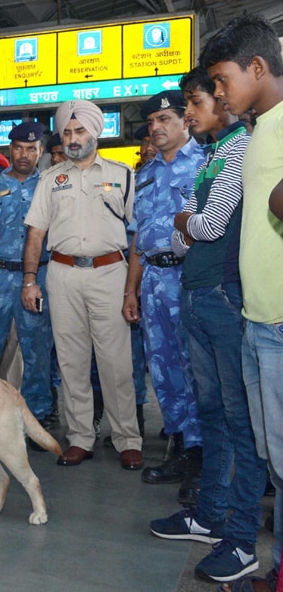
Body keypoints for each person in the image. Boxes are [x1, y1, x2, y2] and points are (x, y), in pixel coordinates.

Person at [149, 65, 266, 584]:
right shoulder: (216, 156)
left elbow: (206, 224)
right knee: (213, 410)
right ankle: (211, 515)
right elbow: (184, 234)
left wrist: (185, 222)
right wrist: (186, 224)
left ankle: (241, 539)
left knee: (241, 421)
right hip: (196, 292)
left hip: (221, 294)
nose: (192, 112)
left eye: (196, 103)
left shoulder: (242, 148)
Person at [199, 14, 283, 592]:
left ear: (257, 67)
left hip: (277, 319)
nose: (219, 93)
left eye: (223, 80)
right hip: (256, 317)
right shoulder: (258, 131)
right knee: (272, 452)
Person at [22, 99, 143, 471]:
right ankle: (79, 438)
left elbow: (137, 232)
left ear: (96, 132)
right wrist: (30, 279)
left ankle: (127, 438)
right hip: (62, 275)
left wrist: (130, 289)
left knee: (115, 362)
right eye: (68, 133)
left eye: (80, 131)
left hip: (110, 273)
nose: (73, 139)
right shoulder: (50, 179)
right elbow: (36, 233)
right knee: (72, 362)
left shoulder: (123, 175)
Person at [123, 90, 205, 500]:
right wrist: (131, 289)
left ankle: (201, 457)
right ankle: (178, 444)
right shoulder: (149, 172)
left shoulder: (207, 164)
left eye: (164, 119)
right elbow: (140, 235)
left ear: (185, 121)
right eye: (151, 122)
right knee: (163, 370)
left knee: (195, 369)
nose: (155, 128)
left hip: (190, 280)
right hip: (154, 280)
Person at [0, 122, 54, 433]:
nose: (24, 155)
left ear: (41, 152)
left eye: (32, 149)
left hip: (37, 278)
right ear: (10, 150)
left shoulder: (48, 185)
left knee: (37, 349)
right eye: (19, 148)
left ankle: (37, 414)